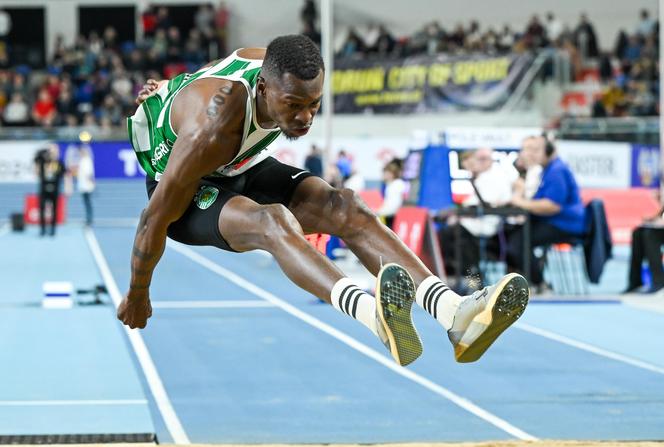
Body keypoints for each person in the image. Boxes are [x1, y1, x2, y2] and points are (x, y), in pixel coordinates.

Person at [120, 35, 529, 366]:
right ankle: (374, 317)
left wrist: (170, 86)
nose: (304, 118)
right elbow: (152, 219)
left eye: (314, 104)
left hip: (237, 164)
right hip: (184, 191)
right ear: (263, 89)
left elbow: (209, 70)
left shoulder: (271, 64)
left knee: (346, 207)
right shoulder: (212, 130)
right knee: (273, 222)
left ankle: (454, 314)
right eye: (293, 106)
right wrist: (138, 292)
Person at [508, 135, 586, 289]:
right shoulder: (547, 170)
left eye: (536, 150)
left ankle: (538, 283)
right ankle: (524, 282)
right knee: (513, 234)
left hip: (564, 225)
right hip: (553, 221)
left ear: (549, 151)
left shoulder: (557, 171)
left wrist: (520, 202)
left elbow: (552, 206)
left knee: (517, 242)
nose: (530, 154)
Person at [439, 148, 513, 281]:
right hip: (476, 222)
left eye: (481, 159)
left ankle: (471, 278)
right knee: (449, 235)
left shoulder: (496, 175)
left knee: (450, 234)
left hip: (486, 224)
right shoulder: (482, 177)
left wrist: (458, 214)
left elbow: (486, 203)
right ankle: (464, 276)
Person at [34, 144, 65, 236]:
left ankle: (52, 229)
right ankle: (42, 229)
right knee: (42, 209)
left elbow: (64, 174)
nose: (52, 152)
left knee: (54, 210)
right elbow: (36, 165)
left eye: (54, 150)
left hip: (55, 189)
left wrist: (68, 186)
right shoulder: (43, 161)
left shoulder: (59, 162)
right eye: (51, 150)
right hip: (44, 188)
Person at [377, 159, 406, 229]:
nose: (383, 175)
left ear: (391, 174)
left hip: (392, 218)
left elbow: (393, 206)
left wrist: (379, 212)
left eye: (385, 173)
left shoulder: (397, 185)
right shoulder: (390, 185)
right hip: (387, 216)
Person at [77, 146, 95, 226]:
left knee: (88, 203)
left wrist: (91, 183)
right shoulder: (82, 160)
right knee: (86, 203)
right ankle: (88, 218)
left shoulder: (87, 160)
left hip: (87, 186)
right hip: (83, 185)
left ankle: (89, 218)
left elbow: (88, 173)